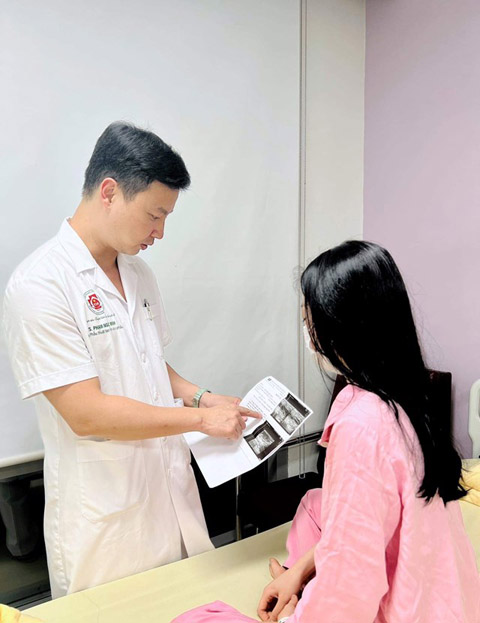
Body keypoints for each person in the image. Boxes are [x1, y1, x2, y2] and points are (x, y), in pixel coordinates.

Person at [3, 121, 260, 598]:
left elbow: (148, 362)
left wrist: (201, 396)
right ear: (109, 192)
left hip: (169, 497)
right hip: (106, 524)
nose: (160, 232)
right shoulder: (40, 284)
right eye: (153, 215)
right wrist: (200, 420)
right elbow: (86, 413)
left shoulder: (138, 273)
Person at [172, 241, 480, 623]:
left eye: (309, 319)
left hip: (398, 609)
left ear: (338, 327)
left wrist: (296, 615)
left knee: (196, 617)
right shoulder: (405, 395)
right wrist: (301, 572)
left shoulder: (362, 425)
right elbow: (353, 529)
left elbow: (352, 584)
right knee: (315, 504)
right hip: (449, 601)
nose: (307, 331)